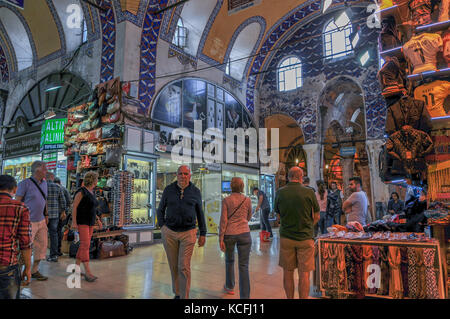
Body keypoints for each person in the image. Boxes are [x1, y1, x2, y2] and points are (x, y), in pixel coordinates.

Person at [157, 165, 207, 299]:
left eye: (186, 174)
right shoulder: (168, 190)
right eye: (180, 174)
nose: (183, 176)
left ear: (190, 175)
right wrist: (162, 226)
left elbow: (200, 213)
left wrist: (203, 233)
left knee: (183, 266)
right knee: (174, 265)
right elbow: (160, 209)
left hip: (188, 232)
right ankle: (178, 293)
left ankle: (184, 296)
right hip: (170, 233)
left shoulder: (195, 191)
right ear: (176, 175)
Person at [274, 167, 320, 299]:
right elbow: (317, 216)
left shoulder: (280, 192)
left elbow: (278, 216)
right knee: (304, 274)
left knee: (287, 272)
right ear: (301, 177)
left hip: (286, 238)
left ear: (288, 177)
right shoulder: (309, 192)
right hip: (305, 238)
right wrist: (308, 226)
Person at [15, 161, 49, 282]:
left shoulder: (45, 183)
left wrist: (46, 214)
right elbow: (17, 202)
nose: (46, 171)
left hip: (41, 220)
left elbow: (44, 200)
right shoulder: (24, 184)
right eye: (44, 169)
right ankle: (18, 272)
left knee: (42, 247)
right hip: (28, 222)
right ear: (37, 170)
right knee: (25, 247)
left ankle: (34, 270)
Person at [0, 175, 32, 299]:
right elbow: (26, 242)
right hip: (7, 264)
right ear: (14, 189)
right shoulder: (20, 208)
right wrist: (28, 268)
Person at [220, 177, 252, 299]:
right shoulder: (247, 200)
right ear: (242, 187)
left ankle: (229, 286)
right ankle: (245, 297)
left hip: (229, 234)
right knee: (244, 266)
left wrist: (220, 238)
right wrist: (242, 222)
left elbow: (224, 220)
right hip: (244, 233)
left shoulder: (226, 200)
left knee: (229, 261)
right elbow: (249, 216)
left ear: (231, 186)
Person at [71, 171, 102, 282]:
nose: (97, 181)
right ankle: (88, 272)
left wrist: (97, 219)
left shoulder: (91, 192)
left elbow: (93, 208)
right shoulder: (82, 191)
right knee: (85, 245)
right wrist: (74, 222)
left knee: (84, 245)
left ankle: (76, 268)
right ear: (93, 180)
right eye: (96, 179)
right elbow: (74, 207)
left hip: (90, 221)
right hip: (82, 221)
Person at [45, 172, 66, 262]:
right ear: (52, 178)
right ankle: (54, 255)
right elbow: (63, 201)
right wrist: (63, 212)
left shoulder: (42, 186)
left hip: (42, 215)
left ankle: (38, 255)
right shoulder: (58, 187)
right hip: (54, 215)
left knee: (40, 235)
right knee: (54, 234)